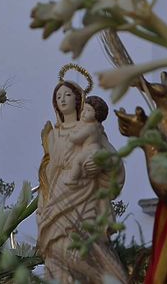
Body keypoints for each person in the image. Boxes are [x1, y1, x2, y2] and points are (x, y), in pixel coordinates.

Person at [38, 70, 128, 284]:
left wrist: (101, 163)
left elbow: (113, 159)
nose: (62, 99)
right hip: (59, 192)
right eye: (58, 96)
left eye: (67, 95)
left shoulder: (92, 128)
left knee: (86, 246)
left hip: (86, 195)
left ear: (79, 99)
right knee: (56, 246)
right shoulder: (53, 134)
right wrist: (43, 204)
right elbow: (47, 173)